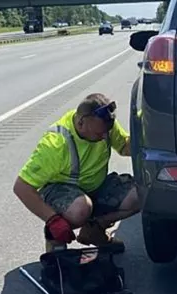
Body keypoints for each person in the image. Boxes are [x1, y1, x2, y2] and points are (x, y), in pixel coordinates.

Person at [13, 93, 141, 252]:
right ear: (81, 123)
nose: (104, 137)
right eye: (98, 134)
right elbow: (22, 187)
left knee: (141, 193)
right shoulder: (56, 144)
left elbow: (124, 147)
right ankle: (55, 240)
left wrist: (146, 134)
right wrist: (53, 220)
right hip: (62, 191)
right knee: (81, 209)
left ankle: (94, 231)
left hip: (96, 187)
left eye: (106, 132)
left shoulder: (104, 126)